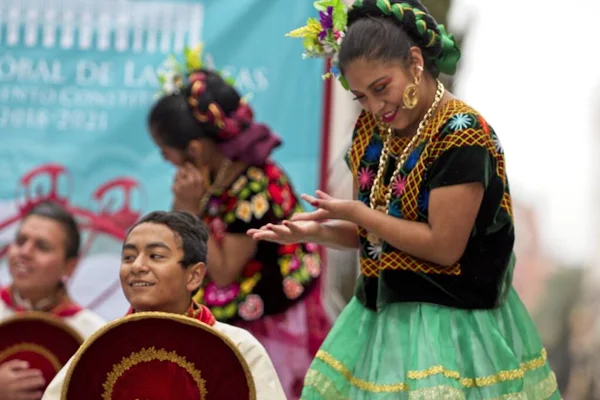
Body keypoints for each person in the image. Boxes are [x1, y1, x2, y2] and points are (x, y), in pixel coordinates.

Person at [250, 0, 560, 398]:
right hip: (381, 320)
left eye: (382, 88)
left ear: (415, 61)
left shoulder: (462, 135)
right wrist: (317, 231)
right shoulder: (374, 134)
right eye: (361, 97)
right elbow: (379, 235)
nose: (377, 107)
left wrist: (360, 214)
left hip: (454, 327)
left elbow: (443, 247)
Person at [147, 51, 330, 398]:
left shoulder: (253, 185)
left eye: (164, 150)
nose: (163, 159)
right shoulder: (215, 171)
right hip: (239, 303)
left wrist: (189, 209)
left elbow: (224, 270)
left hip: (270, 312)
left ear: (196, 149)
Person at [42, 210, 286, 399]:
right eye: (128, 257)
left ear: (194, 276)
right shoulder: (100, 348)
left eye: (156, 256)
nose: (137, 266)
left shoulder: (238, 348)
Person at [0, 201, 105, 400]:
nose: (24, 252)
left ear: (69, 266)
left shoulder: (93, 335)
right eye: (21, 241)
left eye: (42, 246)